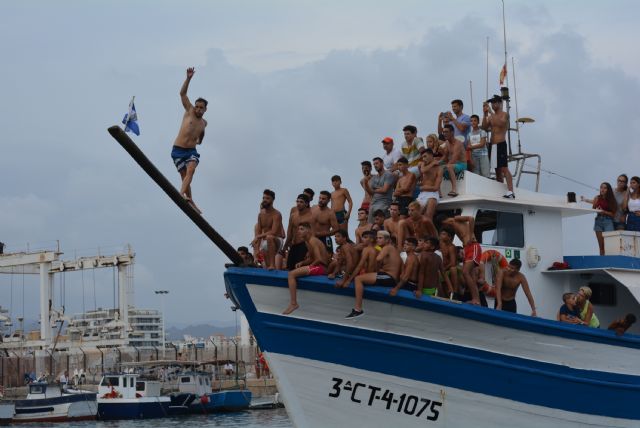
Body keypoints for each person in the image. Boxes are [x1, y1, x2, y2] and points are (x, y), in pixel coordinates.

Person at [171, 67, 208, 214]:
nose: (198, 109)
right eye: (197, 106)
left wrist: (200, 141)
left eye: (201, 108)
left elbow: (202, 132)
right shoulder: (189, 111)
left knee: (191, 171)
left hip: (191, 151)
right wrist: (188, 78)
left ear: (205, 110)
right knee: (184, 176)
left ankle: (180, 194)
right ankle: (190, 200)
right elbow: (182, 93)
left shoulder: (204, 123)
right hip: (178, 150)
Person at [346, 231, 402, 319]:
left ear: (387, 240)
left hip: (389, 277)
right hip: (388, 276)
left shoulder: (387, 247)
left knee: (358, 279)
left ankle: (358, 310)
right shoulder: (390, 249)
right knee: (361, 278)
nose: (378, 240)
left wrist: (370, 251)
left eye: (380, 238)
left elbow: (378, 259)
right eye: (377, 238)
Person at [283, 223, 330, 314]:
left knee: (291, 274)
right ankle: (293, 303)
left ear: (308, 230)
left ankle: (293, 303)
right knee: (294, 272)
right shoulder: (307, 241)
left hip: (322, 268)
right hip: (318, 266)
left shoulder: (312, 240)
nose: (298, 232)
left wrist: (309, 266)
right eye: (298, 229)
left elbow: (319, 259)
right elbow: (312, 258)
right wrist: (303, 263)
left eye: (301, 229)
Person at [442, 215, 482, 305]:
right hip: (467, 249)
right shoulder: (454, 229)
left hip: (473, 246)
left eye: (444, 223)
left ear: (447, 219)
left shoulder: (456, 219)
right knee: (470, 276)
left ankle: (476, 299)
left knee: (465, 272)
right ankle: (476, 300)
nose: (445, 226)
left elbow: (471, 218)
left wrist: (471, 234)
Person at [482, 95, 515, 198]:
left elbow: (501, 124)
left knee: (504, 168)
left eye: (495, 102)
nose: (493, 104)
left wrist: (491, 112)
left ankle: (510, 191)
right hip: (492, 144)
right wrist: (485, 114)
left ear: (500, 103)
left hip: (501, 143)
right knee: (496, 169)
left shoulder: (505, 114)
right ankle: (500, 189)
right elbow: (484, 127)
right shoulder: (490, 117)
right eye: (492, 102)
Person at [252, 189, 285, 270]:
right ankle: (270, 268)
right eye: (263, 198)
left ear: (273, 200)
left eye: (267, 198)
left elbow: (274, 232)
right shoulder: (260, 214)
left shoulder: (277, 214)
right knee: (267, 267)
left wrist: (258, 236)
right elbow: (258, 232)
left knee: (269, 237)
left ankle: (273, 265)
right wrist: (256, 252)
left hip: (276, 240)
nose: (264, 200)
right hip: (265, 242)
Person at [581, 182, 617, 255]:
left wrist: (604, 212)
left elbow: (613, 214)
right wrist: (594, 204)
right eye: (601, 187)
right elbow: (593, 208)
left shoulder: (611, 199)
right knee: (601, 246)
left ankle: (609, 262)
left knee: (609, 245)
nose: (602, 189)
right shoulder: (597, 197)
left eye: (605, 188)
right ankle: (603, 262)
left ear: (608, 190)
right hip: (598, 221)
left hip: (608, 221)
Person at [283, 194, 314, 270]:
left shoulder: (311, 217)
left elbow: (313, 235)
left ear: (306, 204)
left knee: (299, 268)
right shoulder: (293, 216)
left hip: (304, 246)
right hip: (293, 245)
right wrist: (285, 246)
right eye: (297, 201)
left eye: (301, 202)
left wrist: (310, 251)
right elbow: (289, 232)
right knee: (289, 268)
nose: (298, 203)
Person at [363, 157, 395, 223]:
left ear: (382, 163)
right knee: (370, 227)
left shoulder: (388, 174)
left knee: (379, 225)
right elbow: (370, 192)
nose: (375, 165)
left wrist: (375, 190)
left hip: (384, 203)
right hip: (373, 204)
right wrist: (365, 183)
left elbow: (384, 190)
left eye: (377, 163)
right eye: (374, 164)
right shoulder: (374, 178)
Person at [416, 149, 443, 220]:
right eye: (422, 157)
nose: (424, 159)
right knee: (415, 216)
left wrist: (423, 187)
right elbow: (422, 171)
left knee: (427, 218)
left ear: (431, 155)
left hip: (433, 194)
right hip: (422, 194)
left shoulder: (439, 169)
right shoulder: (422, 164)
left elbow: (436, 188)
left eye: (425, 156)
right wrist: (432, 163)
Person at [441, 124, 466, 197]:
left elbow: (454, 159)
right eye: (443, 132)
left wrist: (445, 166)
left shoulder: (458, 143)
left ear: (452, 132)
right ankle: (438, 192)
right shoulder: (447, 143)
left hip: (462, 164)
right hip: (453, 164)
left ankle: (454, 190)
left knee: (449, 167)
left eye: (446, 132)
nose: (444, 134)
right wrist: (436, 163)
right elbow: (445, 157)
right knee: (437, 167)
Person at [313, 191, 340, 255]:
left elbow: (336, 229)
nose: (320, 200)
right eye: (320, 198)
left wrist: (321, 234)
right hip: (311, 238)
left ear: (328, 200)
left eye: (323, 199)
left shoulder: (330, 213)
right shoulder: (313, 208)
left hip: (324, 239)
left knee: (324, 260)